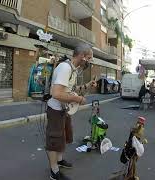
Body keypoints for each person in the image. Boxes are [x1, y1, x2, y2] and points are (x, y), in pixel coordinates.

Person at [46, 44, 97, 180]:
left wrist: (87, 85)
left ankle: (60, 160)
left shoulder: (73, 69)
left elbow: (70, 90)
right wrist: (78, 99)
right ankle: (54, 171)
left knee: (64, 136)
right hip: (56, 110)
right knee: (54, 140)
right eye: (89, 58)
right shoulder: (65, 68)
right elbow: (56, 93)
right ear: (82, 56)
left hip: (64, 110)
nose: (90, 62)